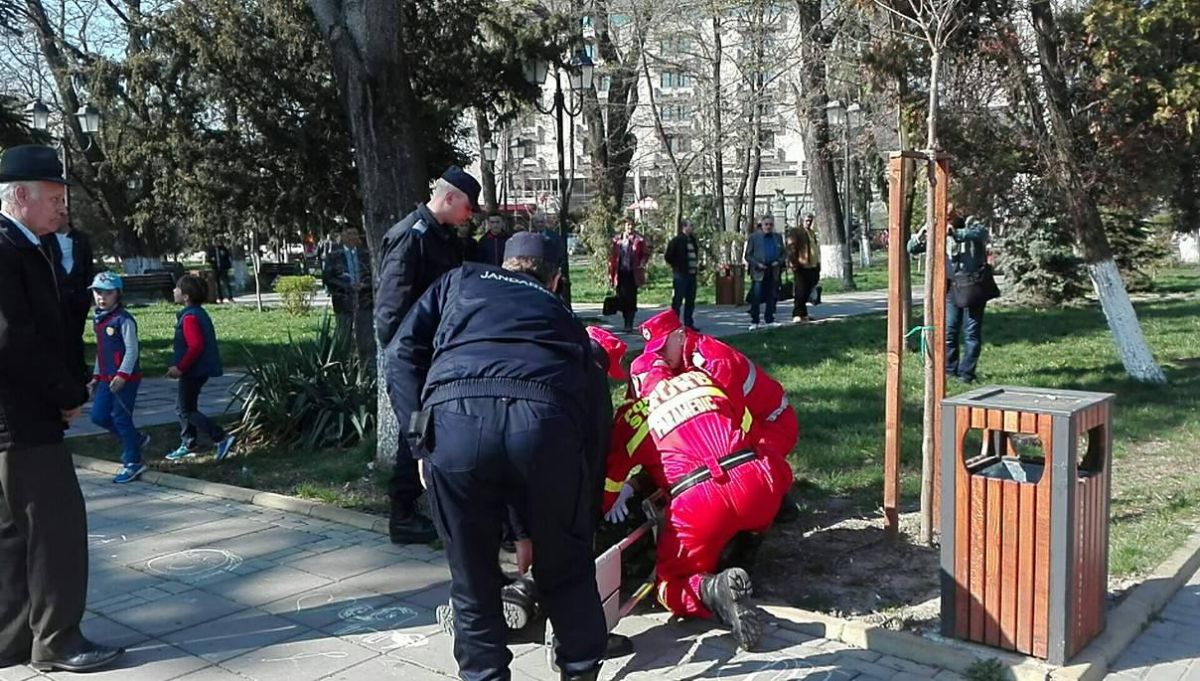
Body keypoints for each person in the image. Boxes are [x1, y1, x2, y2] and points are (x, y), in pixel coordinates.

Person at [386, 232, 608, 681]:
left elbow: (400, 353)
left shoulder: (458, 281)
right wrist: (583, 511)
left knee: (472, 579)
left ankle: (484, 674)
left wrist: (419, 441)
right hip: (547, 424)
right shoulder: (561, 314)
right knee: (568, 571)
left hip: (455, 421)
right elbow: (597, 413)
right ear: (555, 279)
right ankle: (580, 670)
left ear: (503, 265)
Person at [0, 144, 125, 672]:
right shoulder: (6, 249)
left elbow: (54, 322)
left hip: (19, 416)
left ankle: (11, 638)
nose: (62, 207)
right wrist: (67, 395)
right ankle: (57, 640)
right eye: (53, 197)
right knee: (56, 530)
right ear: (19, 197)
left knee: (14, 534)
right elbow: (14, 340)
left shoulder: (33, 245)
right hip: (22, 418)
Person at [605, 320, 794, 651]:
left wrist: (610, 500)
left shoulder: (634, 413)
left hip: (699, 504)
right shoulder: (704, 379)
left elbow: (610, 475)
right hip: (756, 485)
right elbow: (743, 428)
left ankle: (714, 591)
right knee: (756, 488)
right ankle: (749, 544)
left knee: (667, 583)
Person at [375, 165, 480, 545]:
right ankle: (402, 515)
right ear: (449, 198)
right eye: (468, 207)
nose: (470, 215)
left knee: (427, 428)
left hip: (433, 352)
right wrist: (408, 349)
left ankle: (427, 507)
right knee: (416, 429)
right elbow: (390, 311)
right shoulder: (412, 236)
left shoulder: (442, 237)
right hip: (411, 355)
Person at [908, 212, 991, 384]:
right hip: (952, 288)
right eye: (944, 218)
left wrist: (955, 233)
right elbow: (912, 248)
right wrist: (922, 233)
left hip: (973, 287)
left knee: (971, 332)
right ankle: (949, 370)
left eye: (949, 217)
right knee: (949, 331)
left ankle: (966, 373)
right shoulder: (938, 230)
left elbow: (981, 234)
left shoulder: (971, 223)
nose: (946, 221)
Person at [164, 274, 237, 462]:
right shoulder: (198, 313)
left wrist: (180, 368)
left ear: (186, 296)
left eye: (177, 288)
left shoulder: (189, 318)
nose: (174, 290)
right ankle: (189, 442)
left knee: (185, 409)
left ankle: (220, 437)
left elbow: (195, 346)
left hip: (192, 370)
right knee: (186, 406)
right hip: (198, 369)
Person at [86, 273, 150, 484]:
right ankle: (135, 439)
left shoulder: (124, 320)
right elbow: (101, 351)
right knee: (99, 416)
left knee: (121, 418)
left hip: (125, 379)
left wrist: (123, 374)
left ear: (118, 294)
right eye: (98, 292)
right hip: (106, 378)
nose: (102, 297)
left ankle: (133, 461)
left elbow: (132, 350)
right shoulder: (99, 319)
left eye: (108, 293)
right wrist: (96, 376)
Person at [43, 221, 94, 384]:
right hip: (58, 294)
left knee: (76, 333)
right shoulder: (45, 239)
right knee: (60, 332)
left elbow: (88, 266)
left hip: (78, 293)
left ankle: (79, 369)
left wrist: (88, 291)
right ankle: (63, 370)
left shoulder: (80, 239)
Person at [322, 225, 374, 359]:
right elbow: (328, 278)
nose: (352, 237)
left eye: (355, 234)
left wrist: (365, 285)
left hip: (364, 300)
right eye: (349, 234)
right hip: (343, 301)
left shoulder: (366, 255)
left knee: (366, 338)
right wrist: (347, 286)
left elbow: (374, 275)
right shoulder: (334, 256)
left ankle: (366, 365)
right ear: (343, 236)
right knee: (344, 337)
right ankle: (344, 363)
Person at [607, 217, 648, 334]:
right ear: (624, 227)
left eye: (631, 225)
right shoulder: (617, 240)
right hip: (620, 273)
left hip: (632, 274)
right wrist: (610, 274)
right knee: (622, 299)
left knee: (631, 299)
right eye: (627, 225)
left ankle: (629, 323)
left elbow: (645, 254)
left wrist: (642, 263)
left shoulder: (639, 240)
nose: (630, 227)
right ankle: (625, 321)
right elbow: (612, 257)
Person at [744, 214, 785, 330]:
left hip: (773, 270)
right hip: (759, 271)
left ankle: (769, 319)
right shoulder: (754, 237)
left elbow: (783, 254)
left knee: (771, 296)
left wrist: (779, 262)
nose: (768, 227)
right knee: (756, 297)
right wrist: (757, 264)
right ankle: (755, 321)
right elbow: (748, 255)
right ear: (761, 225)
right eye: (766, 224)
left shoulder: (777, 237)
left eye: (771, 224)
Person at [785, 213, 821, 323]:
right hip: (801, 266)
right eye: (807, 220)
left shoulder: (811, 233)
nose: (809, 222)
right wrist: (793, 263)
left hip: (812, 266)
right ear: (802, 220)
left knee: (807, 292)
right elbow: (791, 248)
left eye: (810, 220)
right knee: (800, 291)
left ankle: (804, 314)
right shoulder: (796, 232)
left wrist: (818, 264)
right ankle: (797, 314)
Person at [665, 219, 700, 331]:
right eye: (690, 226)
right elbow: (668, 256)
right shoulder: (677, 240)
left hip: (692, 274)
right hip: (680, 275)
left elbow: (695, 254)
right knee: (678, 300)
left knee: (690, 300)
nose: (692, 228)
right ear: (684, 227)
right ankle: (674, 324)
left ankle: (688, 323)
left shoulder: (692, 240)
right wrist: (677, 266)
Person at [205, 238, 234, 303]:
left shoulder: (223, 249)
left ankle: (230, 297)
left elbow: (227, 257)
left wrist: (227, 266)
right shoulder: (211, 249)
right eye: (215, 242)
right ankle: (220, 298)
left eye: (217, 242)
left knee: (226, 283)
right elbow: (208, 258)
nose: (216, 243)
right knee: (218, 284)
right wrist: (211, 260)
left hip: (223, 268)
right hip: (215, 269)